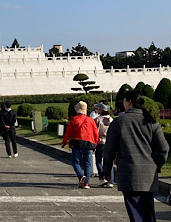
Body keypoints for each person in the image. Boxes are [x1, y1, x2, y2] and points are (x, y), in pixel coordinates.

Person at [103, 90, 169, 221]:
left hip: (128, 173)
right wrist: (157, 165)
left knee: (136, 212)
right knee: (148, 211)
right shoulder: (151, 122)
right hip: (148, 173)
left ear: (129, 102)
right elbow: (164, 148)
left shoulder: (119, 122)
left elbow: (109, 150)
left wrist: (106, 171)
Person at [61, 101, 99, 188]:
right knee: (87, 163)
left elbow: (68, 133)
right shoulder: (90, 120)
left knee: (75, 162)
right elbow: (95, 133)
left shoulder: (74, 119)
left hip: (77, 143)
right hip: (89, 144)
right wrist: (95, 144)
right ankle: (87, 183)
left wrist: (64, 142)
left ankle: (81, 176)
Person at [94, 103, 114, 188]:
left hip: (100, 142)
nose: (97, 110)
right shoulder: (112, 120)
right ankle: (111, 180)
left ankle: (102, 178)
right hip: (109, 142)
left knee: (98, 161)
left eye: (98, 109)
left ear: (101, 110)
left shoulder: (97, 119)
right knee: (109, 161)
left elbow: (95, 132)